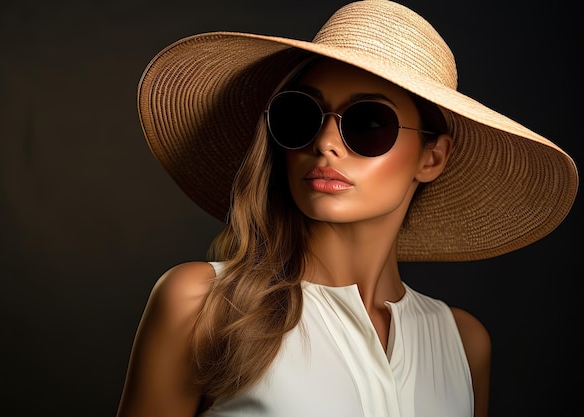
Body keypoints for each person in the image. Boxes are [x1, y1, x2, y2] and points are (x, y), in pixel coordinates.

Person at [116, 1, 578, 416]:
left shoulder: (463, 342)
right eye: (301, 116)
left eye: (369, 123)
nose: (326, 143)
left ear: (431, 157)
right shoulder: (202, 303)